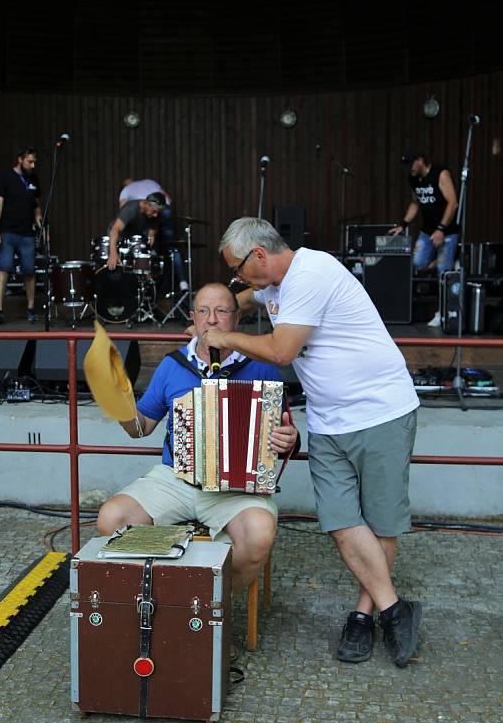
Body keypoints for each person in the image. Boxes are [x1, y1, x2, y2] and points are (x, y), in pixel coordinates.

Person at [203, 218, 421, 668]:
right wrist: (219, 309)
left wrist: (223, 336)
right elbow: (247, 297)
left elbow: (282, 352)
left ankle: (364, 615)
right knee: (341, 522)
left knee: (380, 523)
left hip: (380, 411)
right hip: (327, 419)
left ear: (259, 256)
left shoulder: (310, 274)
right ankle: (396, 610)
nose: (239, 279)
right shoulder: (274, 284)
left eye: (238, 270)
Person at [97, 282, 298, 595]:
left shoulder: (262, 366)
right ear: (193, 317)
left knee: (258, 534)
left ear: (236, 319)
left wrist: (289, 439)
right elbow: (141, 427)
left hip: (235, 488)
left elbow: (287, 436)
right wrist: (116, 401)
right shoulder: (172, 365)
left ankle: (214, 602)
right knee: (112, 519)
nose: (212, 319)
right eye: (203, 311)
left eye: (221, 311)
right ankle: (165, 596)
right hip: (175, 479)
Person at [389, 149, 459, 327]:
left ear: (420, 160)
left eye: (411, 164)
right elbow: (415, 202)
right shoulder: (413, 179)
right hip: (427, 231)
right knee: (417, 262)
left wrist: (441, 229)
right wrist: (403, 224)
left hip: (447, 231)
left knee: (443, 272)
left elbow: (453, 202)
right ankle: (450, 259)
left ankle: (441, 313)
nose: (409, 168)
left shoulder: (440, 173)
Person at [0, 147, 42, 324]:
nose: (33, 165)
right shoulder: (5, 176)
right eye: (30, 161)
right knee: (4, 268)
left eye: (34, 161)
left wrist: (42, 226)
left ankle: (30, 308)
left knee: (29, 271)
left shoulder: (33, 178)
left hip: (27, 233)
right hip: (8, 231)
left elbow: (36, 206)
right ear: (20, 160)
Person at [118, 178, 187, 291]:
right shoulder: (150, 182)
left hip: (148, 212)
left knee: (142, 244)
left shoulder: (126, 190)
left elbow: (123, 211)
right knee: (171, 247)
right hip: (165, 209)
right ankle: (182, 282)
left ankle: (146, 277)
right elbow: (168, 199)